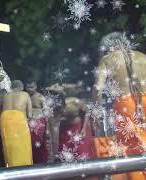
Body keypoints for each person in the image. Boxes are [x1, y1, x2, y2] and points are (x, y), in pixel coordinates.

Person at [93, 32, 146, 179]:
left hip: (126, 105)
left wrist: (96, 112)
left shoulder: (107, 59)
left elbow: (98, 87)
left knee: (132, 150)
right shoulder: (142, 56)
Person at [0, 80, 33, 167]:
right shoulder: (25, 94)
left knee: (9, 146)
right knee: (22, 146)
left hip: (5, 119)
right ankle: (24, 167)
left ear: (11, 87)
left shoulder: (5, 95)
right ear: (21, 88)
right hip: (19, 118)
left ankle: (10, 166)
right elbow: (30, 114)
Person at [58, 97, 95, 162]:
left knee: (82, 148)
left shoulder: (76, 102)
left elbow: (87, 112)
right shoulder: (60, 108)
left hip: (79, 127)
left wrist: (83, 128)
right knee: (66, 148)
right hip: (66, 128)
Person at [25, 79, 48, 163]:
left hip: (39, 123)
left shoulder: (40, 97)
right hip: (27, 123)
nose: (30, 89)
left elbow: (47, 112)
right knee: (29, 144)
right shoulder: (24, 96)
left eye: (32, 87)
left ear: (36, 87)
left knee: (38, 144)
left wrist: (47, 127)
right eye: (28, 87)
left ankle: (41, 162)